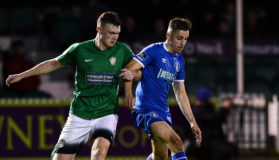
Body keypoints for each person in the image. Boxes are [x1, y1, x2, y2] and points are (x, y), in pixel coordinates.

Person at [6, 11, 138, 160]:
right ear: (99, 30)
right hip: (80, 112)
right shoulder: (80, 49)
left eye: (117, 33)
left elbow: (136, 71)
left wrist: (130, 85)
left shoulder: (122, 50)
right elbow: (54, 63)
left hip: (106, 111)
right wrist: (21, 75)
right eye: (111, 33)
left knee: (100, 150)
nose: (115, 37)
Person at [120, 17, 202, 160]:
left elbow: (181, 93)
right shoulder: (154, 50)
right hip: (145, 109)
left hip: (163, 112)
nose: (183, 43)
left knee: (160, 157)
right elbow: (128, 69)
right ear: (168, 36)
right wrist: (128, 94)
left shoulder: (179, 61)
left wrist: (192, 122)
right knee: (176, 143)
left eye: (186, 39)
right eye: (179, 38)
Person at [186, 88, 238, 160]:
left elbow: (217, 120)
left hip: (210, 142)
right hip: (202, 144)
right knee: (224, 151)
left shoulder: (207, 108)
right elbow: (213, 119)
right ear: (205, 99)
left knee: (232, 149)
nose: (212, 100)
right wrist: (224, 108)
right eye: (209, 98)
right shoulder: (197, 110)